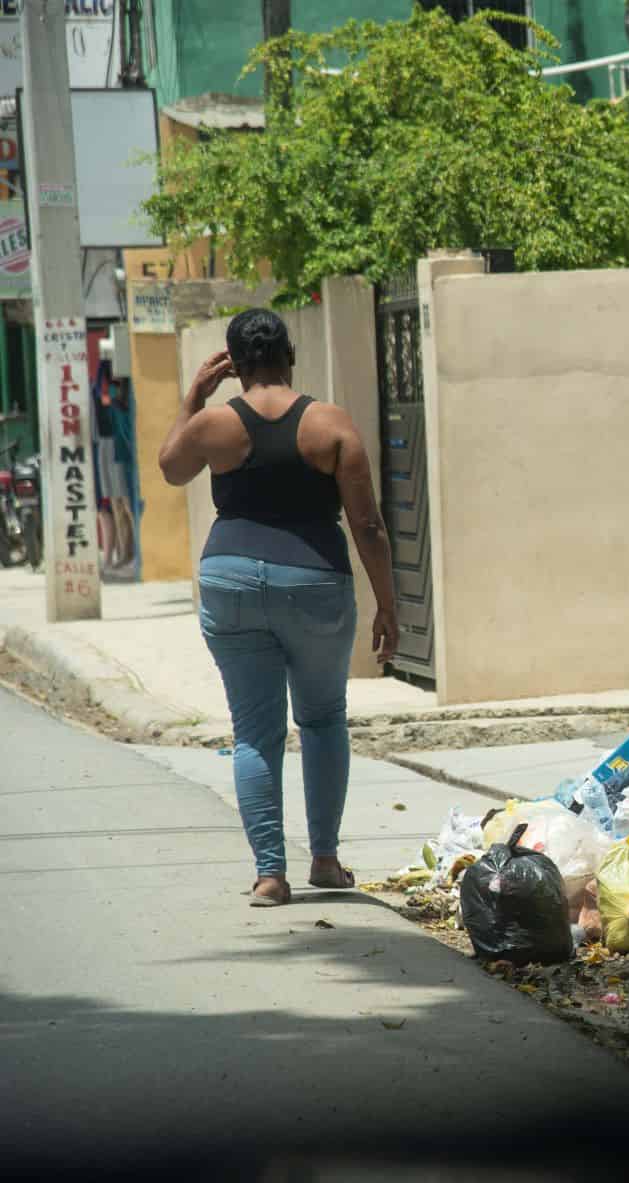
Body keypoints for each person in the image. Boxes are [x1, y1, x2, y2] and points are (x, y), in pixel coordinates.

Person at [159, 309, 398, 907]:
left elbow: (170, 467)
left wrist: (193, 396)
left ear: (233, 365)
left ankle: (270, 874)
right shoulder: (329, 423)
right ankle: (324, 859)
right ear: (291, 353)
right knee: (320, 720)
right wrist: (388, 606)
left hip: (230, 581)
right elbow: (366, 523)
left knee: (254, 736)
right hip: (313, 581)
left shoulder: (214, 424)